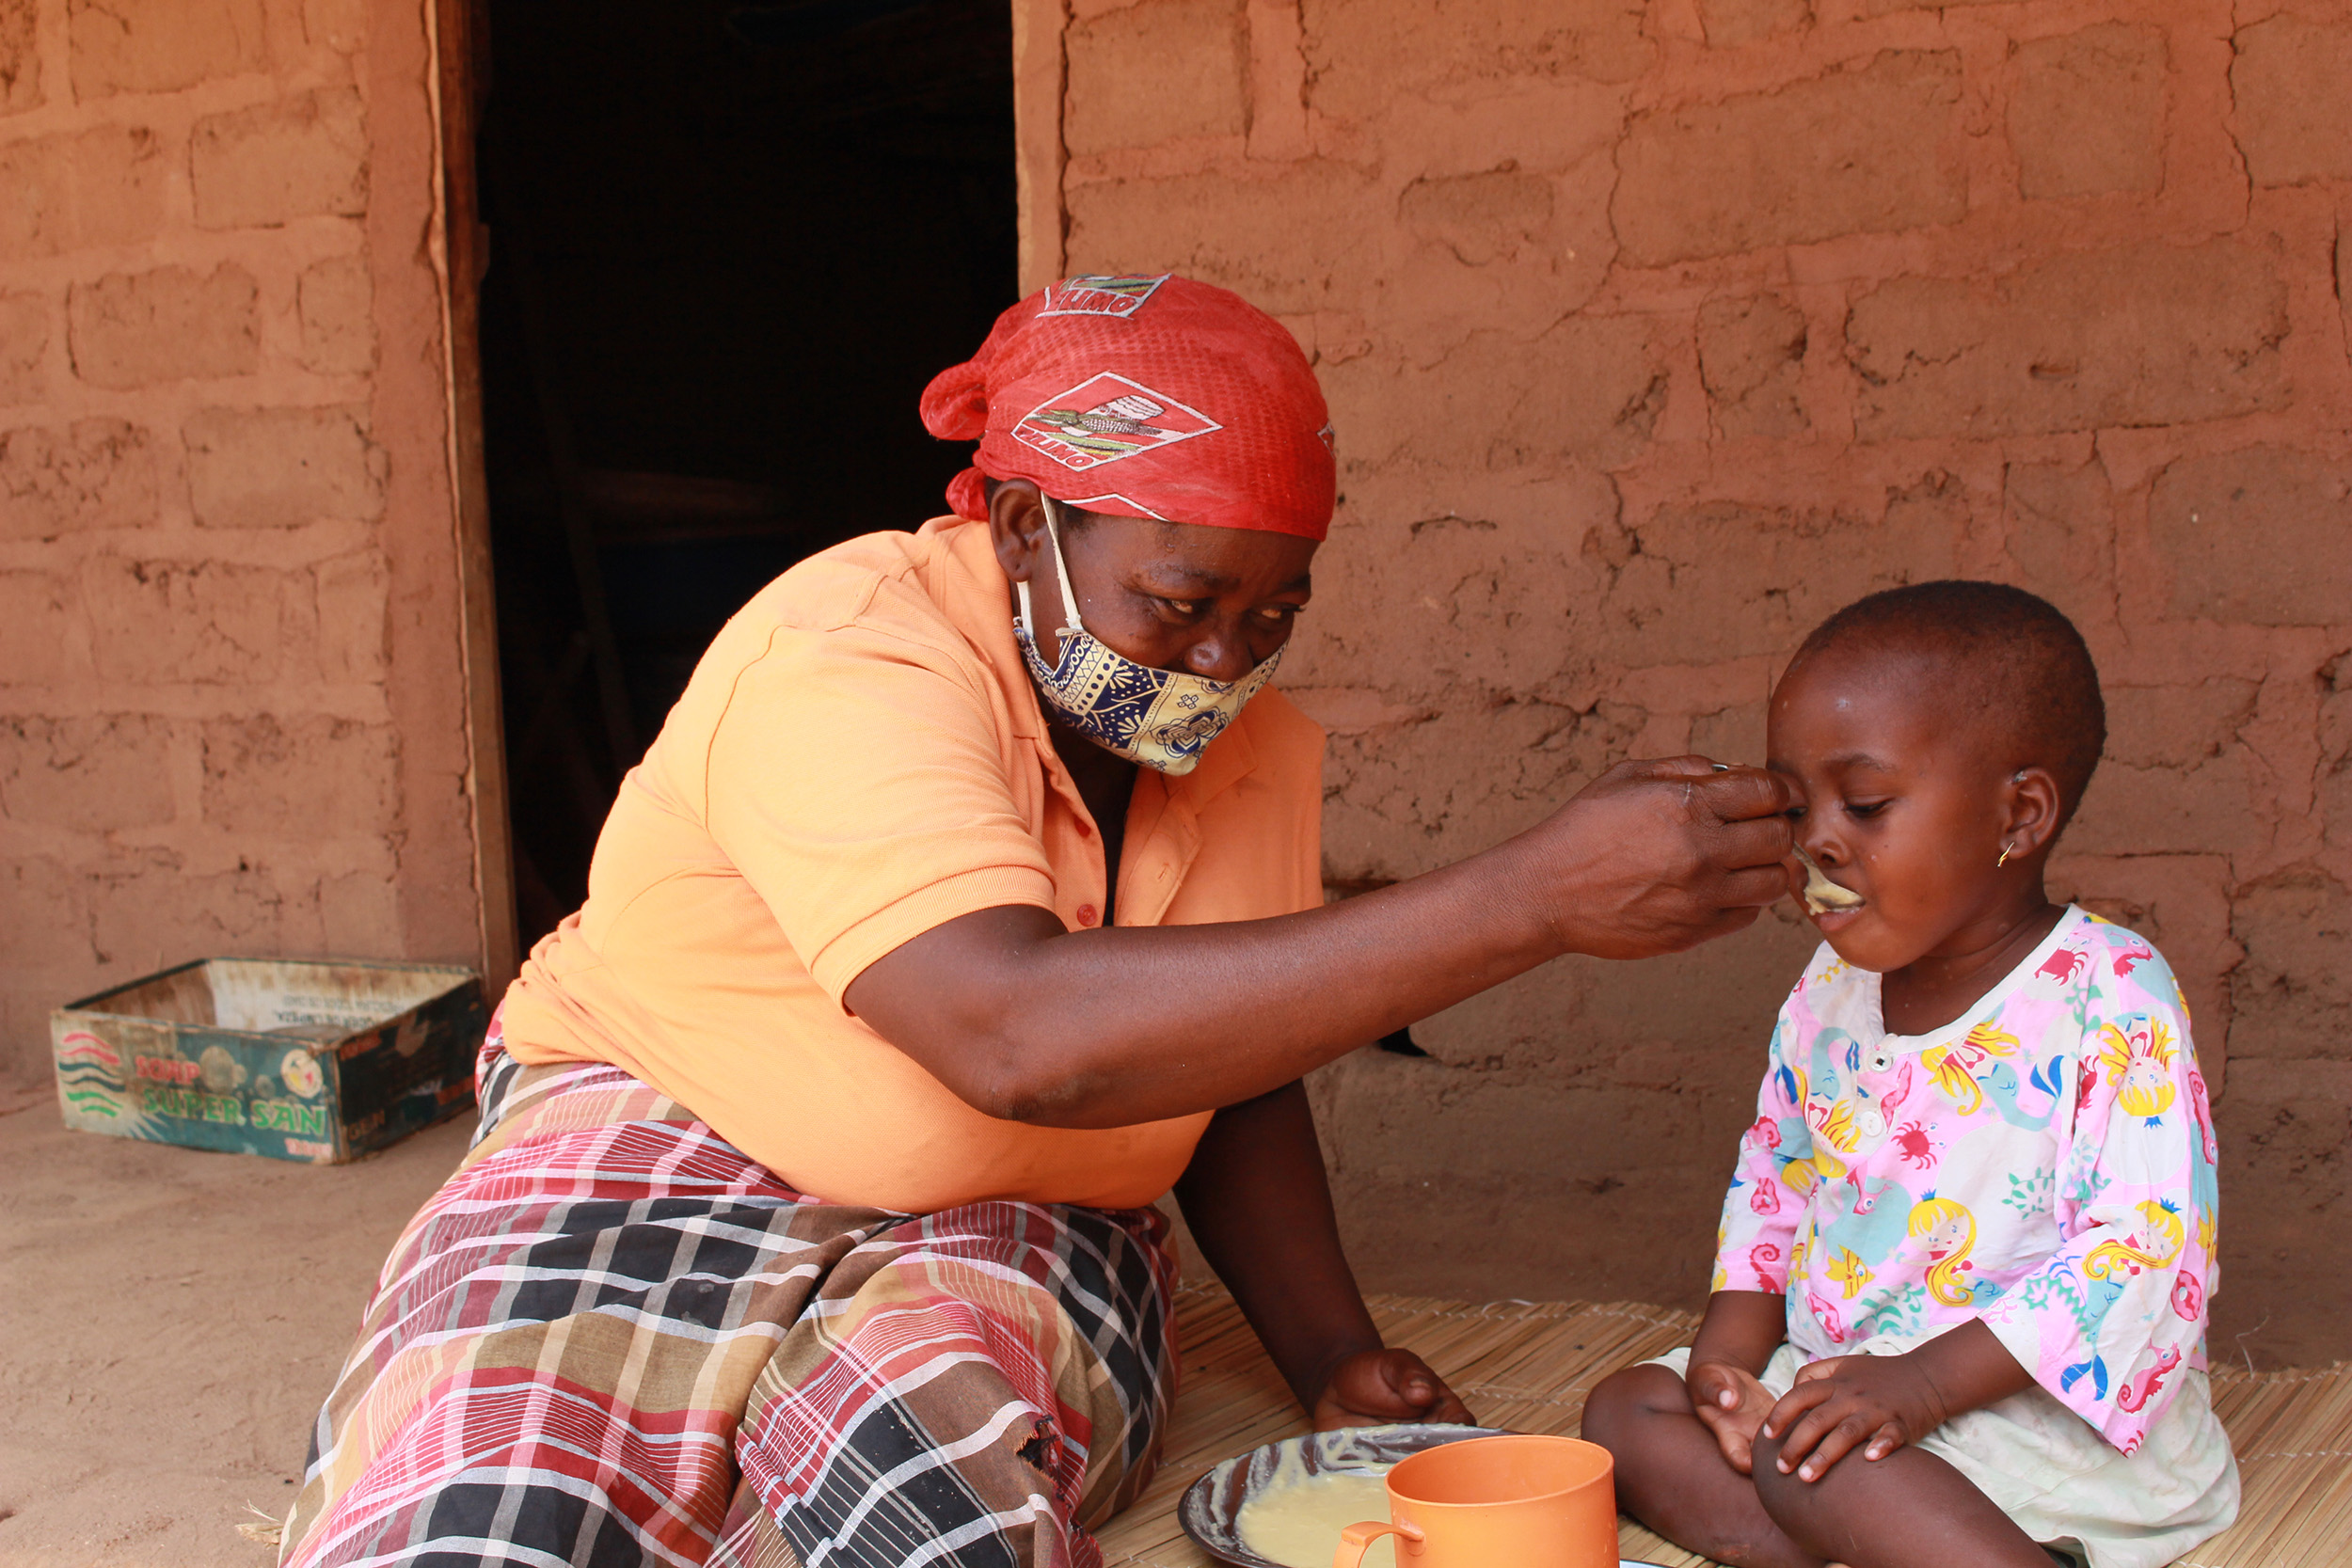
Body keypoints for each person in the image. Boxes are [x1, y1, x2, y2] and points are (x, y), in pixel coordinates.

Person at [279, 274, 1797, 1568]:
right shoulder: (851, 654)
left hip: (1028, 1204)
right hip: (671, 1127)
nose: (1220, 657)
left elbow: (1240, 1046)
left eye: (1273, 614)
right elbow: (1016, 1033)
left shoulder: (1245, 744)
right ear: (1020, 528)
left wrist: (1329, 1349)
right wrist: (1526, 896)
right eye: (1179, 601)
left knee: (932, 1492)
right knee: (498, 1485)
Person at [1582, 581, 2239, 1568]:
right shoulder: (1826, 991)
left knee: (1844, 1473)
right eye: (1797, 808)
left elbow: (2143, 1251)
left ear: (2018, 815)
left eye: (1867, 803)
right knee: (1625, 1409)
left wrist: (1918, 1388)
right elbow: (1776, 1186)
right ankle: (1858, 1538)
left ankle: (1912, 1534)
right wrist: (1724, 1369)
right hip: (1837, 1392)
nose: (1818, 842)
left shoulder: (2108, 989)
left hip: (2025, 1409)